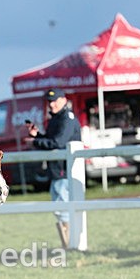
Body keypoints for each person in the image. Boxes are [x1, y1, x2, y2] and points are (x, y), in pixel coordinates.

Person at [26, 88, 82, 248]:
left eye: (54, 101)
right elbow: (52, 141)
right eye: (49, 101)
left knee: (63, 208)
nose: (51, 104)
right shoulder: (57, 119)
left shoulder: (66, 119)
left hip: (64, 172)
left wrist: (36, 142)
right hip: (58, 171)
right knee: (60, 208)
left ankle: (70, 245)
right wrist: (38, 137)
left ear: (63, 100)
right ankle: (68, 245)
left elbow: (58, 143)